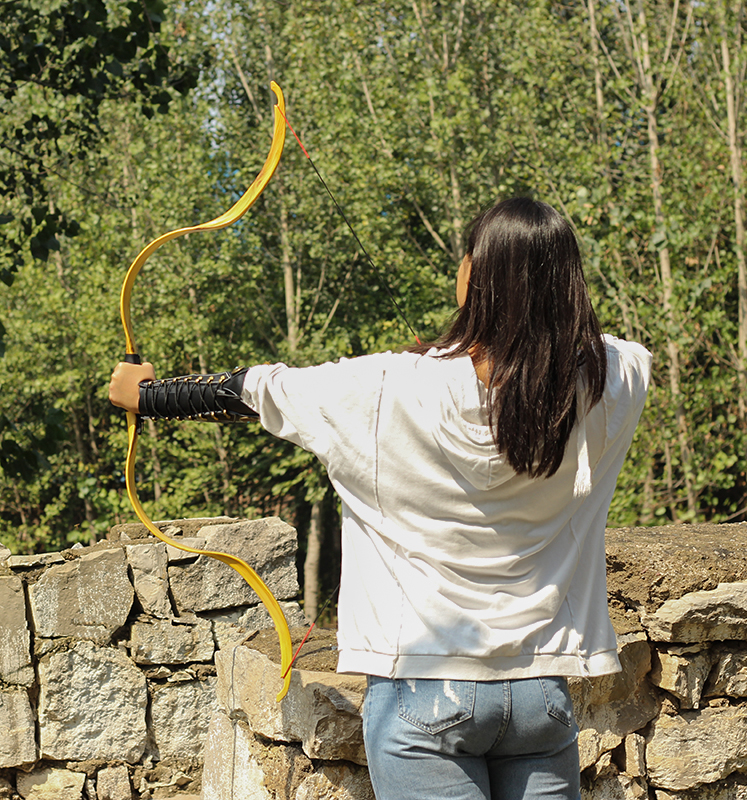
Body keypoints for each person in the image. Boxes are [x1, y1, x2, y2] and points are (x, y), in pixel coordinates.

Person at [110, 196, 651, 800]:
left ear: (473, 277)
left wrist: (143, 394)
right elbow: (583, 356)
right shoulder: (613, 380)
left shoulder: (387, 389)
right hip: (540, 692)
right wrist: (463, 354)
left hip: (422, 689)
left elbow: (256, 391)